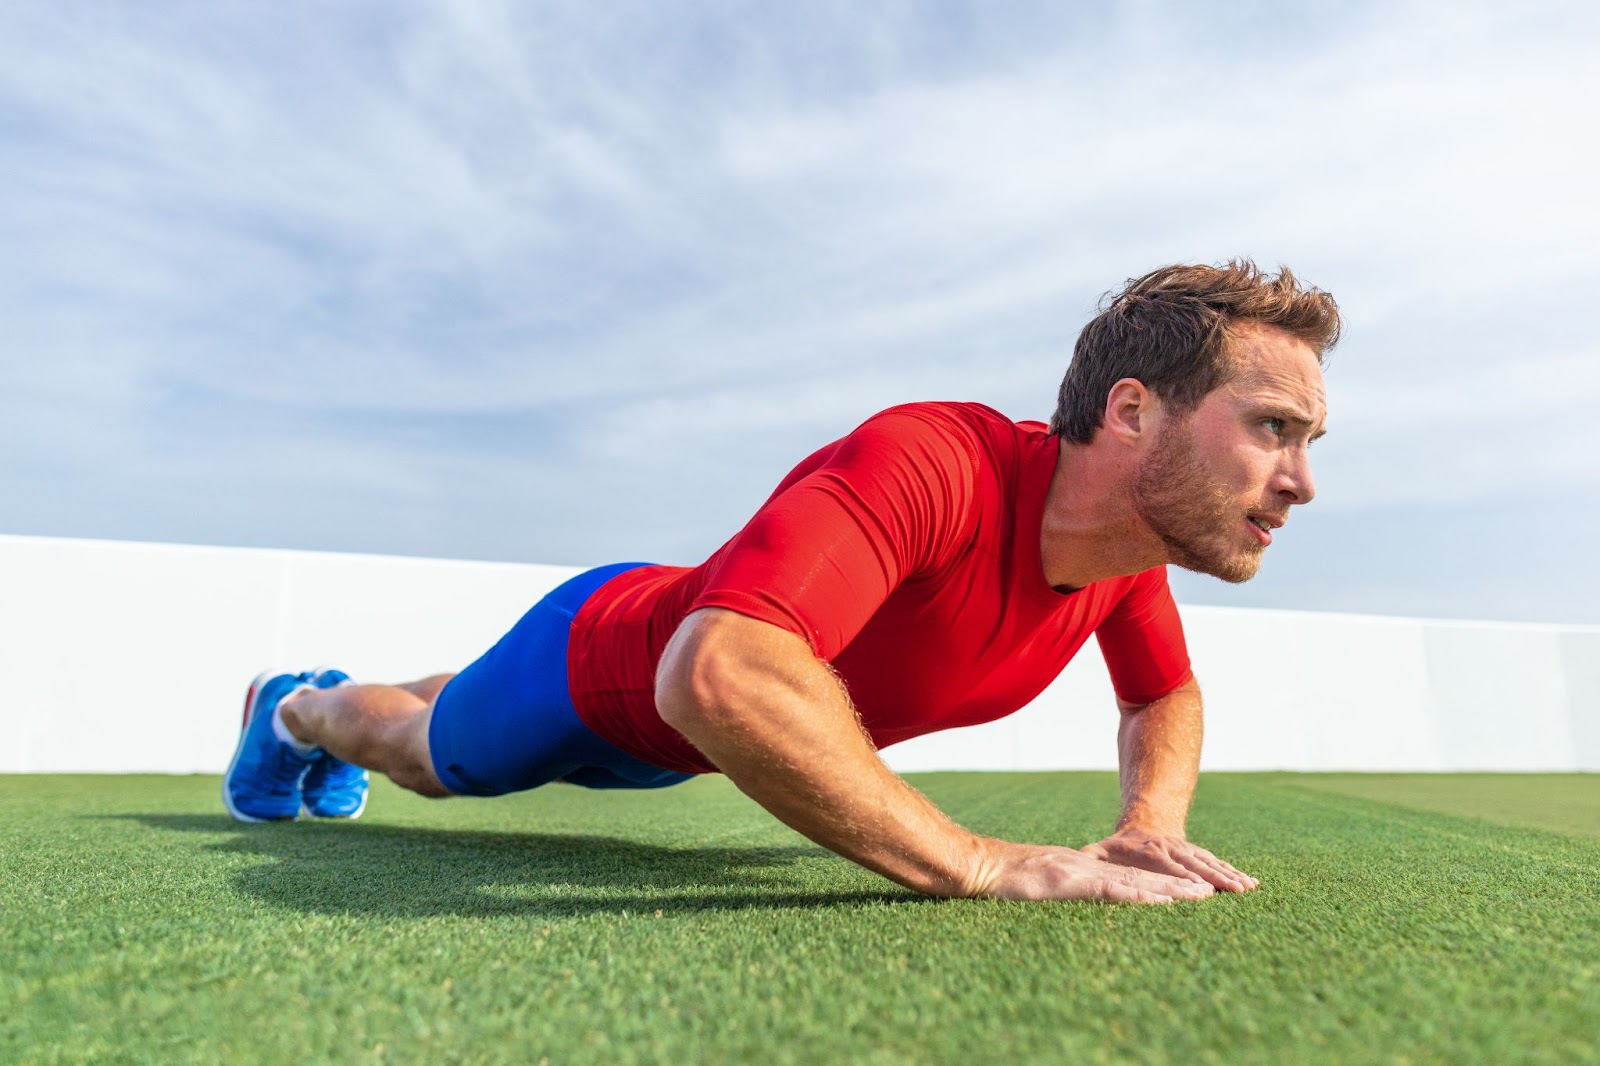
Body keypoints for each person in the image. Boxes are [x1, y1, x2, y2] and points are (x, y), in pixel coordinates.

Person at [222, 259, 1337, 905]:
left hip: (698, 734)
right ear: (1134, 410)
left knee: (451, 694)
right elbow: (719, 671)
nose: (1299, 482)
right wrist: (979, 860)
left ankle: (343, 703)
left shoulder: (1120, 565)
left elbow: (1160, 695)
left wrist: (1150, 818)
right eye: (1273, 429)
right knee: (425, 754)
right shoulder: (936, 463)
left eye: (1311, 440)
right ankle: (298, 704)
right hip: (600, 669)